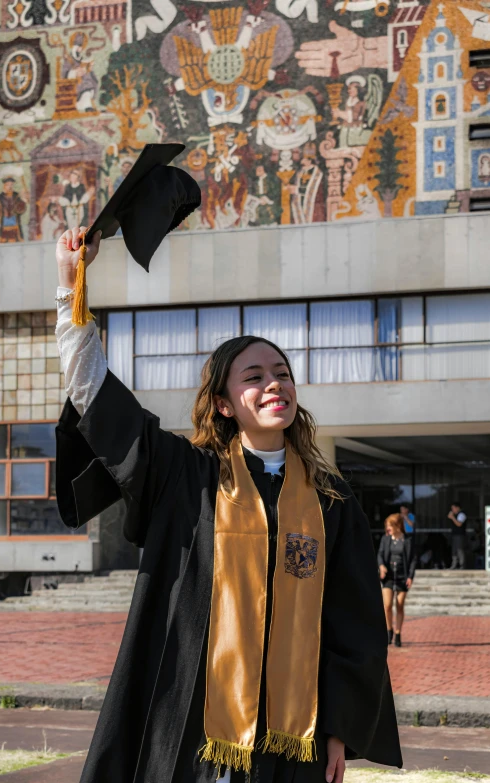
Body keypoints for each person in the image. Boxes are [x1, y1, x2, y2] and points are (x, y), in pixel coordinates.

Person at [54, 225, 402, 783]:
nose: (274, 385)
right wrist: (69, 288)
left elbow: (353, 621)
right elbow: (100, 402)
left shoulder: (328, 499)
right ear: (222, 403)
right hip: (190, 709)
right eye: (255, 377)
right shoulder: (186, 475)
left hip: (292, 732)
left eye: (283, 374)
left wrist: (339, 728)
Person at [378, 513, 416, 648]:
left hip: (402, 577)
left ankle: (398, 634)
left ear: (398, 526)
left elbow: (412, 560)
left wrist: (410, 576)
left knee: (399, 605)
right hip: (388, 577)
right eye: (387, 526)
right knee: (387, 605)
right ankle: (389, 630)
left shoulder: (407, 541)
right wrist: (381, 566)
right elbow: (380, 555)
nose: (388, 528)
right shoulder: (385, 539)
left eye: (390, 526)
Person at [448, 502, 467, 570]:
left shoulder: (462, 514)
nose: (452, 510)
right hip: (454, 535)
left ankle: (462, 565)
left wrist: (452, 517)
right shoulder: (455, 515)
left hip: (460, 535)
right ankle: (454, 565)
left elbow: (459, 524)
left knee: (460, 550)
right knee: (454, 551)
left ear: (458, 508)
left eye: (453, 508)